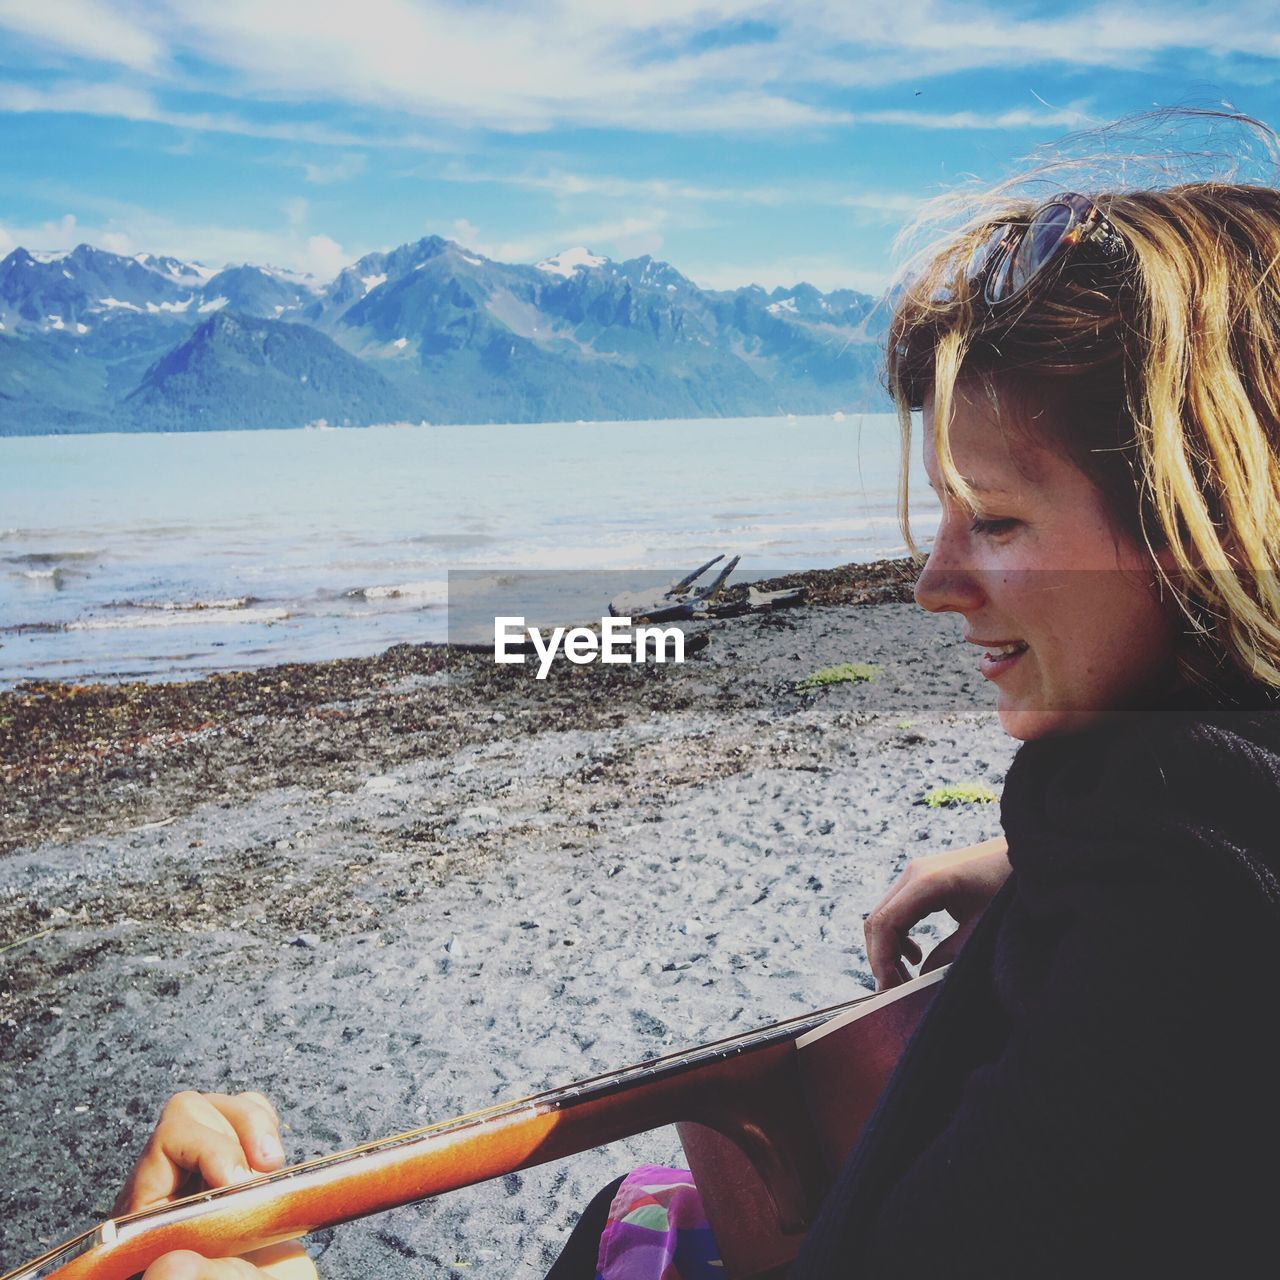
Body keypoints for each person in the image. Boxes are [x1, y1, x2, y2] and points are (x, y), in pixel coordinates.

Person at [113, 140, 1280, 1278]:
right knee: (648, 1201)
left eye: (998, 520)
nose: (929, 583)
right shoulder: (1179, 843)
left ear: (1208, 527)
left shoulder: (1176, 922)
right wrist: (1035, 860)